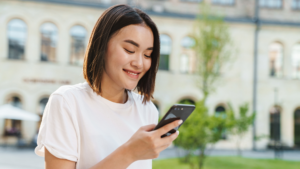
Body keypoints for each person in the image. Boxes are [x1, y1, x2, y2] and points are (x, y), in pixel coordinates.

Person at [35, 4, 182, 169]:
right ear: (102, 46)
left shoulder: (148, 110)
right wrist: (129, 153)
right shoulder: (67, 102)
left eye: (147, 54)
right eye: (129, 50)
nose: (139, 63)